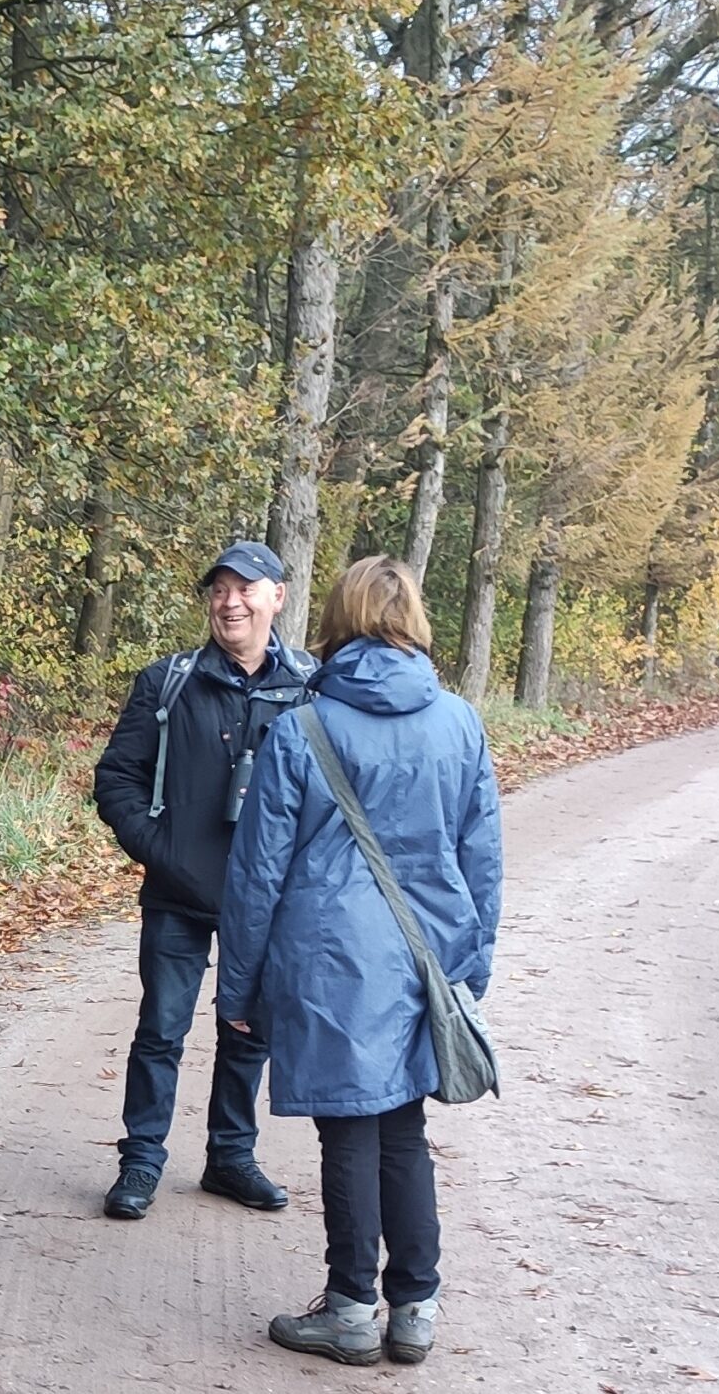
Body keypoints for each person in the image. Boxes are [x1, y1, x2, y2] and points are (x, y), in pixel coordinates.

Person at [216, 556, 503, 1369]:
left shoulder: (306, 725)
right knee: (403, 1126)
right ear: (413, 614)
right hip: (426, 957)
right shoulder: (458, 721)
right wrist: (470, 965)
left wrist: (239, 984)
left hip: (332, 960)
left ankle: (349, 1307)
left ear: (337, 617)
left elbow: (257, 869)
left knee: (349, 1126)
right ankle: (414, 1306)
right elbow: (482, 853)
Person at [90, 540, 314, 1220]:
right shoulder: (169, 681)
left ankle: (231, 1156)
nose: (230, 601)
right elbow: (116, 778)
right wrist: (160, 847)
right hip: (179, 892)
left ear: (277, 594)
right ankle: (141, 1160)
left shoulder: (310, 685)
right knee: (160, 1029)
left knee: (251, 1032)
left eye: (245, 587)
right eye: (218, 589)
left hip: (268, 899)